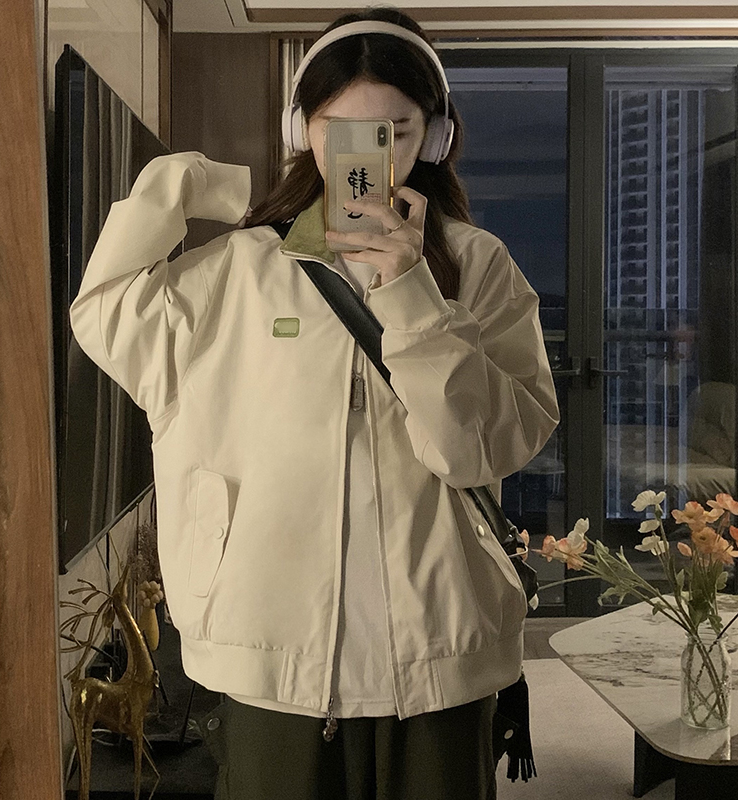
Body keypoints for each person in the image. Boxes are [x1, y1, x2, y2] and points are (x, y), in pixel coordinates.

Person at [70, 8, 559, 799]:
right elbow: (104, 309)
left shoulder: (477, 268)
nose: (370, 155)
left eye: (395, 131)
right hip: (271, 648)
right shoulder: (237, 271)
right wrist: (202, 185)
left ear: (435, 138)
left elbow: (483, 449)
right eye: (341, 129)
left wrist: (412, 293)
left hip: (442, 649)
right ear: (302, 132)